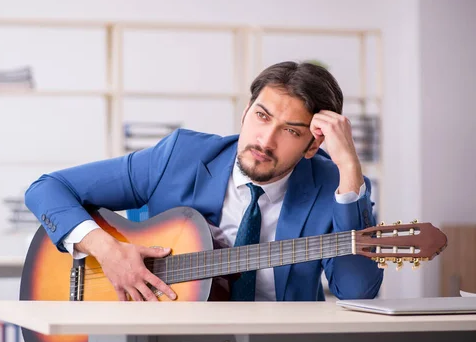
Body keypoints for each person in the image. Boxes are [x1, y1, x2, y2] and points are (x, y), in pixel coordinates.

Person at [24, 61, 383, 303]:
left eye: (290, 130)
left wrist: (349, 169)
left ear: (313, 143)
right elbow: (47, 188)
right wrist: (107, 250)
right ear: (245, 112)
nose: (265, 140)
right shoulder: (180, 156)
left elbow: (357, 292)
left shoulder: (334, 189)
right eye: (261, 116)